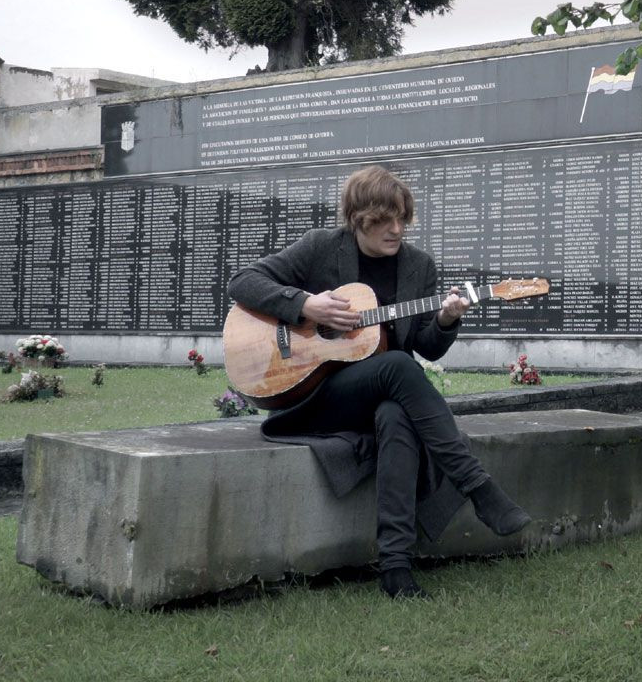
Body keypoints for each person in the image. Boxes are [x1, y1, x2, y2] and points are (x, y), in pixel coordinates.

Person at [226, 165, 530, 599]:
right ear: (357, 218)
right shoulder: (320, 248)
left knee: (396, 414)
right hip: (314, 395)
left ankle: (396, 567)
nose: (396, 229)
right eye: (384, 220)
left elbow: (426, 346)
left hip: (380, 396)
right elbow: (243, 282)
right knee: (399, 369)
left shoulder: (418, 266)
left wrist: (445, 320)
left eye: (402, 218)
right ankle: (477, 486)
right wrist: (307, 306)